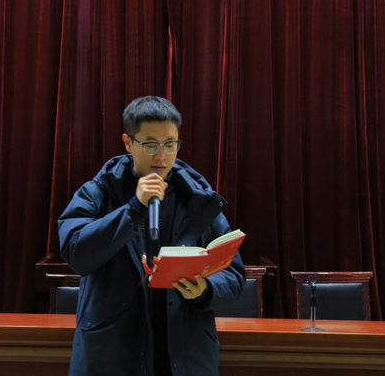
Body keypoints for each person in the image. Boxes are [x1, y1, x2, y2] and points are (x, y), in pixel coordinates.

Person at [58, 96, 245, 376]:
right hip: (113, 352)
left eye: (170, 144)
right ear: (128, 143)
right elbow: (77, 254)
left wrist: (205, 290)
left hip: (184, 352)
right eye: (150, 145)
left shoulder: (198, 200)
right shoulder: (97, 192)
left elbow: (234, 276)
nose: (161, 156)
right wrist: (134, 209)